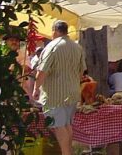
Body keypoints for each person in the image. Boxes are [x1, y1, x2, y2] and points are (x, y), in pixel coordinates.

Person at [32, 20, 85, 155]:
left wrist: (36, 88)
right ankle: (68, 153)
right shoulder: (77, 47)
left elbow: (42, 71)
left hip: (55, 95)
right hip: (72, 92)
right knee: (67, 125)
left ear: (55, 30)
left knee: (59, 126)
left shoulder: (52, 47)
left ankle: (66, 153)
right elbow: (81, 72)